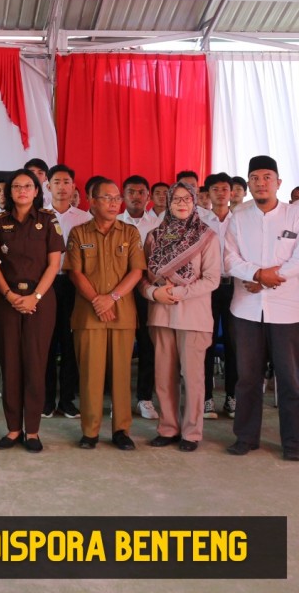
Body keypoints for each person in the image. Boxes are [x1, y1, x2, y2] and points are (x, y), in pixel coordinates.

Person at [224, 155, 299, 460]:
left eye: (267, 177)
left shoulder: (294, 215)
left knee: (291, 380)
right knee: (248, 378)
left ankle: (294, 443)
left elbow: (297, 259)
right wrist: (256, 274)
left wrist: (266, 278)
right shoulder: (238, 216)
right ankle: (245, 437)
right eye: (254, 178)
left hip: (287, 310)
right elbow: (229, 258)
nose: (261, 183)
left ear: (278, 182)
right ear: (248, 183)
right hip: (246, 309)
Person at [63, 177, 146, 451]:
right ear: (92, 201)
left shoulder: (130, 233)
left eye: (116, 198)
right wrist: (97, 301)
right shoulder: (79, 233)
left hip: (122, 314)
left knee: (121, 376)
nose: (113, 203)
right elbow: (75, 272)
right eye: (107, 198)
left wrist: (111, 299)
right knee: (90, 375)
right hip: (89, 315)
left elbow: (137, 271)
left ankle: (121, 430)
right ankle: (90, 431)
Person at [140, 181, 220, 452]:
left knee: (193, 377)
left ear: (194, 202)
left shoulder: (206, 236)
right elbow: (142, 277)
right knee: (163, 376)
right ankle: (168, 428)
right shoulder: (154, 236)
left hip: (193, 316)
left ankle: (192, 432)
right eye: (176, 199)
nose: (182, 203)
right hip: (160, 314)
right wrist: (153, 293)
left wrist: (177, 292)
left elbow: (211, 279)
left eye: (187, 199)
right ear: (168, 203)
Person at [0, 168, 64, 452]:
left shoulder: (48, 220)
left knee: (35, 363)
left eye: (27, 186)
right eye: (16, 186)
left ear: (36, 191)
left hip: (40, 302)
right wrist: (9, 295)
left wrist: (36, 296)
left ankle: (32, 430)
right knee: (10, 363)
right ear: (9, 192)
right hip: (7, 301)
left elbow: (54, 265)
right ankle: (13, 429)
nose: (22, 191)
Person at [42, 164, 90, 419]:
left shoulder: (85, 219)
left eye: (66, 182)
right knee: (46, 343)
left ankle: (68, 400)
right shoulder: (38, 216)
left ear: (73, 187)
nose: (62, 187)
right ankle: (47, 400)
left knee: (71, 343)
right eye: (57, 182)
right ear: (48, 186)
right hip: (45, 285)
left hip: (74, 285)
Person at [117, 175, 161, 421]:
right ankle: (119, 398)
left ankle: (144, 398)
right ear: (123, 196)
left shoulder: (158, 224)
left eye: (141, 192)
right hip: (119, 290)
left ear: (148, 196)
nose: (136, 196)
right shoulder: (113, 222)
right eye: (131, 192)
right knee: (120, 346)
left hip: (147, 290)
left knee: (147, 345)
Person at [202, 173, 237, 419]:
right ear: (208, 193)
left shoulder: (241, 220)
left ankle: (232, 397)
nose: (221, 193)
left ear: (231, 192)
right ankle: (206, 398)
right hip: (208, 289)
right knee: (207, 342)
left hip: (236, 287)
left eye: (225, 189)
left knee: (235, 344)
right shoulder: (200, 221)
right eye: (216, 189)